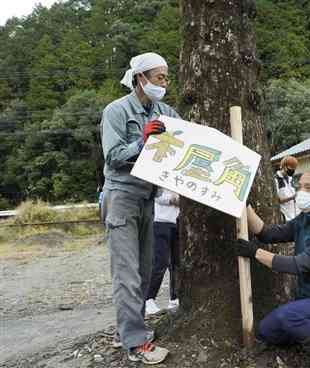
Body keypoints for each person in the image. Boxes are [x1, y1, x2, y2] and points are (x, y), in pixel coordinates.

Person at [235, 169, 310, 368]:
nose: (301, 192)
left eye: (309, 188)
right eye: (300, 186)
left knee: (288, 315)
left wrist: (255, 252)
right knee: (267, 331)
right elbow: (268, 234)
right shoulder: (305, 219)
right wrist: (245, 204)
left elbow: (298, 264)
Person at [101, 52, 179, 364]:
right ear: (139, 79)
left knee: (146, 271)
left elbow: (181, 145)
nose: (165, 83)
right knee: (126, 273)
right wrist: (142, 142)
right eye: (160, 77)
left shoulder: (166, 111)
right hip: (121, 195)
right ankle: (135, 342)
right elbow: (113, 157)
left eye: (167, 78)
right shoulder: (117, 111)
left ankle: (131, 328)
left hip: (149, 197)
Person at [145, 188, 180, 315]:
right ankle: (148, 299)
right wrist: (172, 199)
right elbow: (155, 195)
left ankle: (174, 298)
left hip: (178, 222)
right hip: (161, 223)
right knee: (160, 262)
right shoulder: (160, 175)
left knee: (177, 263)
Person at [275, 156, 299, 222]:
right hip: (285, 218)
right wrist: (292, 197)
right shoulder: (276, 179)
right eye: (291, 168)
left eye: (294, 168)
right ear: (284, 166)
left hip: (295, 216)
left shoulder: (291, 179)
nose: (293, 170)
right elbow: (277, 200)